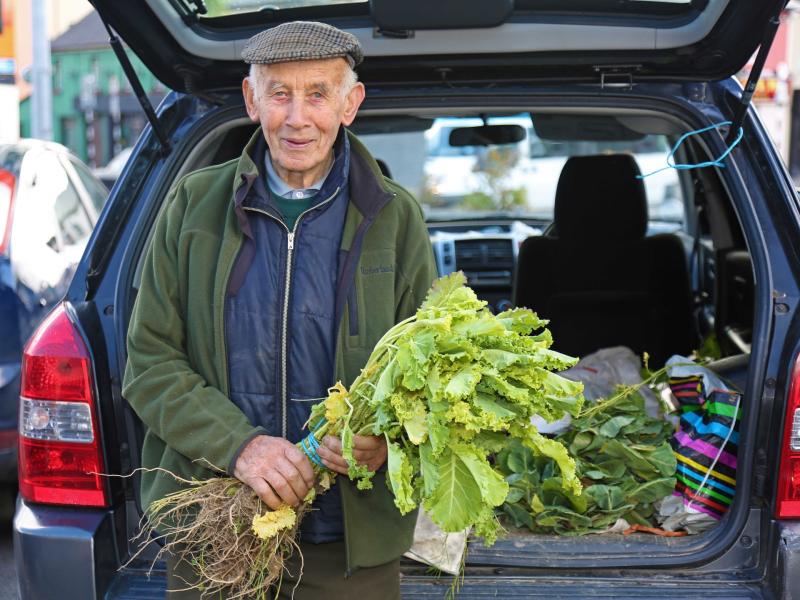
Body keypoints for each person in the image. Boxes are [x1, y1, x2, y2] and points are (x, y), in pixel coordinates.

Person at [122, 20, 437, 599]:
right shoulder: (193, 204)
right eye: (279, 94)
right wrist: (240, 447)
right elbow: (150, 362)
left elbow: (430, 375)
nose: (297, 118)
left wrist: (385, 440)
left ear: (349, 104)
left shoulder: (395, 217)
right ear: (251, 100)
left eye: (317, 94)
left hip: (348, 545)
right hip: (216, 533)